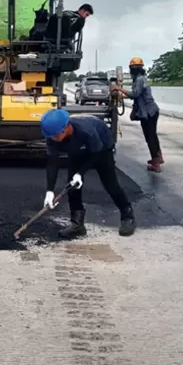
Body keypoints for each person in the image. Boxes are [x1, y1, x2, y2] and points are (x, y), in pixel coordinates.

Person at [40, 108, 136, 239]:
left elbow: (96, 154)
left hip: (101, 149)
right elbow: (52, 163)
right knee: (72, 185)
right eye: (51, 137)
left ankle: (127, 216)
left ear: (66, 128)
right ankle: (77, 225)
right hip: (77, 150)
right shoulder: (52, 137)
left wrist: (80, 173)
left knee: (111, 184)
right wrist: (49, 191)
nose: (54, 140)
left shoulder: (86, 131)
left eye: (56, 136)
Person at [114, 57, 163, 172]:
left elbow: (135, 94)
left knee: (150, 137)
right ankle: (158, 157)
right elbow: (138, 95)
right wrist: (123, 95)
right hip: (150, 111)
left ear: (133, 69)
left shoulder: (140, 80)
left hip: (148, 113)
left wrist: (119, 89)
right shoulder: (140, 79)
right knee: (152, 136)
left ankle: (156, 164)